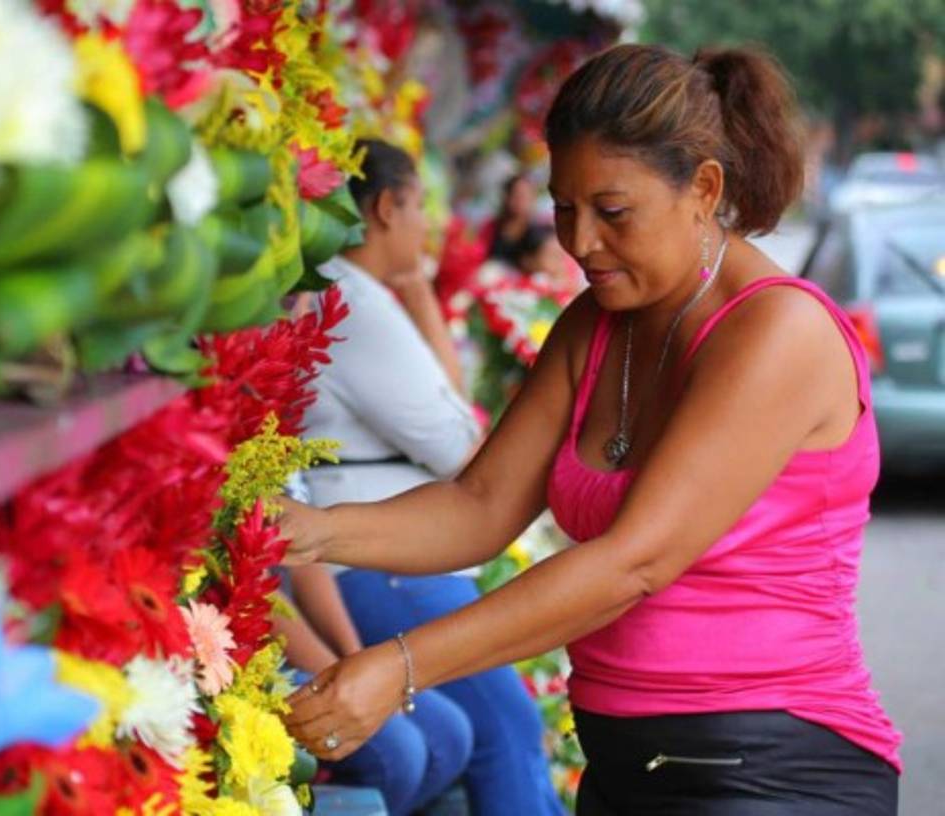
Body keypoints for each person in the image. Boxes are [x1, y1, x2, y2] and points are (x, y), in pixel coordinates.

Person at [279, 44, 901, 815]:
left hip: (772, 767)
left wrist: (401, 665)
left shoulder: (780, 331)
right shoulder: (599, 322)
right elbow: (479, 505)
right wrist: (309, 531)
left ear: (704, 189)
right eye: (563, 209)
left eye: (612, 212)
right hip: (625, 764)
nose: (579, 243)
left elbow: (631, 564)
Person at [301, 138, 566, 816]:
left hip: (385, 550)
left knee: (491, 727)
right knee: (507, 727)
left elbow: (458, 423)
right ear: (387, 207)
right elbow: (460, 447)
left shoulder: (367, 292)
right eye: (420, 207)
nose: (429, 228)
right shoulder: (347, 299)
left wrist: (419, 290)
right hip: (374, 561)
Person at [274, 563, 473, 816]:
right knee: (401, 751)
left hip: (303, 644)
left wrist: (358, 663)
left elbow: (305, 566)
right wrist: (345, 682)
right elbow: (263, 601)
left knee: (449, 732)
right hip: (251, 655)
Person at [483, 173, 538, 266]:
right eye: (516, 195)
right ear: (506, 197)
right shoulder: (491, 228)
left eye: (524, 196)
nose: (520, 201)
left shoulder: (540, 231)